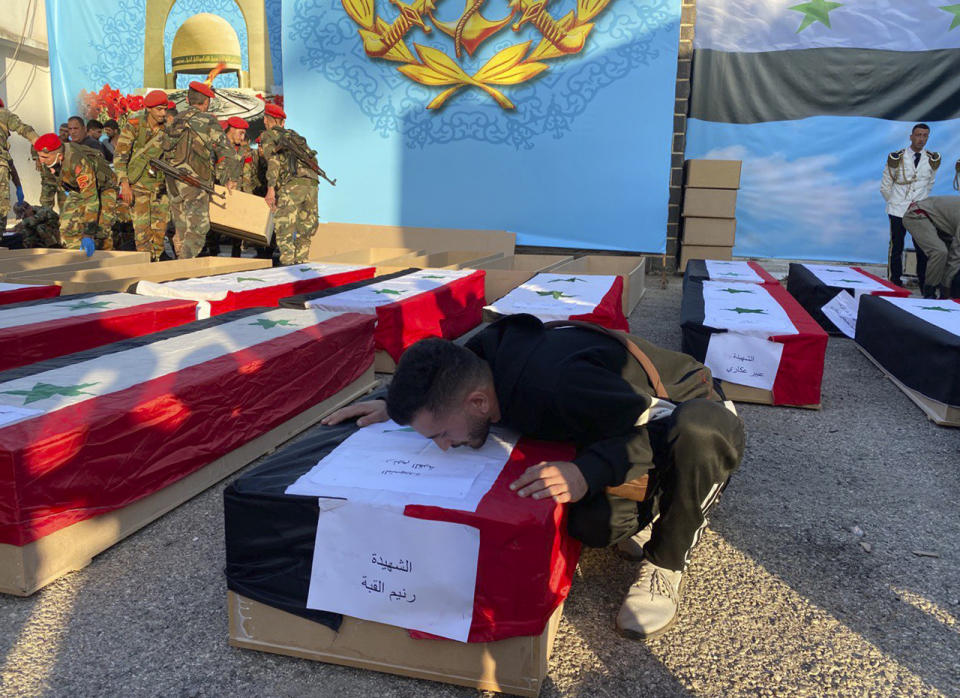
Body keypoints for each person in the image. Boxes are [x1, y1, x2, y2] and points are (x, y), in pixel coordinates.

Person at [323, 314, 746, 639]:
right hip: (610, 412)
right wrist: (392, 406)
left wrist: (586, 471)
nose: (443, 447)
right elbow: (440, 367)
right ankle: (648, 501)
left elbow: (664, 423)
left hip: (685, 407)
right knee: (594, 524)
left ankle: (668, 557)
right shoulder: (479, 364)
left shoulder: (559, 387)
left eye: (440, 434)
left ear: (477, 401)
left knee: (699, 435)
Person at [159, 80, 238, 259]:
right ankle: (184, 265)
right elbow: (226, 151)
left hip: (172, 182)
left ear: (187, 99)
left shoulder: (175, 120)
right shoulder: (208, 121)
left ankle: (181, 264)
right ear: (207, 102)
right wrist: (229, 178)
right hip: (194, 182)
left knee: (182, 227)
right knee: (198, 227)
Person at [34, 133, 117, 250]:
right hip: (77, 190)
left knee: (100, 230)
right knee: (66, 226)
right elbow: (48, 188)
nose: (41, 161)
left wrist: (88, 233)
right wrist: (44, 216)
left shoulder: (77, 162)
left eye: (45, 157)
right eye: (40, 156)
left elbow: (91, 198)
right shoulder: (47, 163)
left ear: (59, 156)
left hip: (104, 189)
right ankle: (78, 258)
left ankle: (108, 259)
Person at [260, 103, 320, 265]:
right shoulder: (294, 136)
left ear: (267, 119)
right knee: (305, 229)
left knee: (284, 228)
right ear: (283, 123)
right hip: (312, 183)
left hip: (292, 184)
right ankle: (302, 265)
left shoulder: (268, 135)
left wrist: (271, 189)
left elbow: (273, 161)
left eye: (265, 120)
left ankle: (287, 269)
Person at [114, 90, 170, 262]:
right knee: (142, 233)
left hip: (160, 188)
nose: (163, 113)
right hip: (138, 186)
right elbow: (120, 156)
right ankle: (146, 267)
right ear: (149, 108)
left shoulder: (168, 129)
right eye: (159, 109)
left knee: (160, 233)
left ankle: (157, 263)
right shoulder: (135, 125)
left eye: (165, 109)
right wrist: (124, 184)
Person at [881, 123, 939, 287]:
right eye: (918, 135)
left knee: (922, 249)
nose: (921, 139)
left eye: (925, 136)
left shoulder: (932, 158)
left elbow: (929, 183)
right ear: (911, 137)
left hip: (919, 211)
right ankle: (894, 282)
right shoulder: (897, 157)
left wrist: (920, 203)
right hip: (898, 209)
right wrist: (894, 203)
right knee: (896, 247)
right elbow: (885, 185)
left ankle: (924, 284)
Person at [213, 116, 260, 257]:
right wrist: (223, 181)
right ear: (232, 130)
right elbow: (210, 170)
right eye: (241, 133)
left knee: (236, 228)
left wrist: (248, 196)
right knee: (214, 229)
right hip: (218, 193)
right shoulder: (217, 147)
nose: (243, 136)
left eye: (245, 133)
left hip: (237, 194)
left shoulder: (243, 150)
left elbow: (247, 175)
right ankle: (211, 253)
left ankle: (236, 254)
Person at [902, 196, 960, 299]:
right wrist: (945, 289)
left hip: (940, 224)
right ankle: (929, 293)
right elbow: (956, 254)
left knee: (946, 257)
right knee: (939, 252)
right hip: (917, 215)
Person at [0, 98, 39, 227]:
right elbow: (23, 128)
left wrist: (18, 186)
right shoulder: (3, 113)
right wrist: (38, 142)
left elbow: (10, 163)